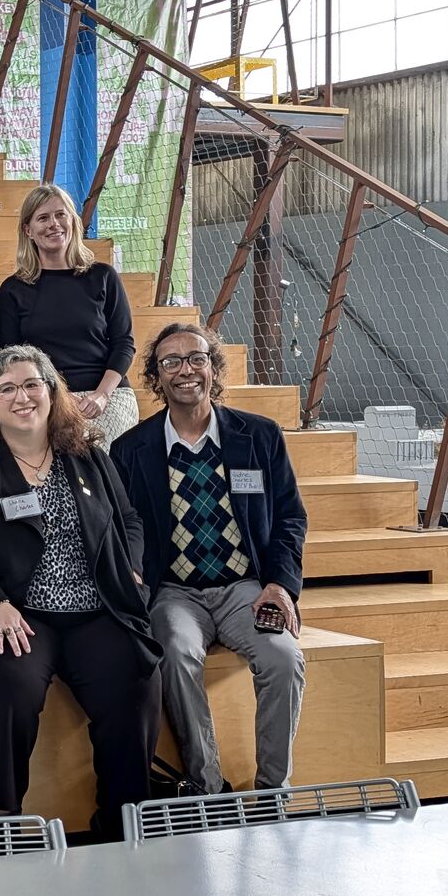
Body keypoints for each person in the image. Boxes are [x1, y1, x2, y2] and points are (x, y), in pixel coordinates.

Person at [0, 345, 160, 839]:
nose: (22, 397)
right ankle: (2, 817)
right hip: (15, 610)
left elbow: (130, 521)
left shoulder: (86, 455)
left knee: (136, 673)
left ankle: (124, 820)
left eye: (32, 384)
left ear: (52, 391)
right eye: (6, 388)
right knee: (4, 682)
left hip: (94, 607)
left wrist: (133, 572)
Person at [110, 322, 308, 794]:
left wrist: (280, 586)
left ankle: (271, 791)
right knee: (176, 654)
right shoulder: (129, 450)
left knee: (283, 659)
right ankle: (208, 786)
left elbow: (290, 518)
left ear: (213, 368)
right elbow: (123, 530)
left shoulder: (258, 436)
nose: (186, 371)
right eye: (171, 362)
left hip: (246, 589)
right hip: (174, 594)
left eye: (197, 358)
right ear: (157, 377)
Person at [0, 183, 138, 443]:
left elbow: (124, 344)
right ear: (28, 230)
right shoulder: (14, 290)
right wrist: (57, 395)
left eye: (61, 215)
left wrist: (102, 395)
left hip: (108, 393)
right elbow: (11, 358)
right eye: (43, 218)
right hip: (43, 395)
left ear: (73, 221)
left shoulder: (104, 277)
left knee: (94, 445)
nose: (54, 224)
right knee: (72, 441)